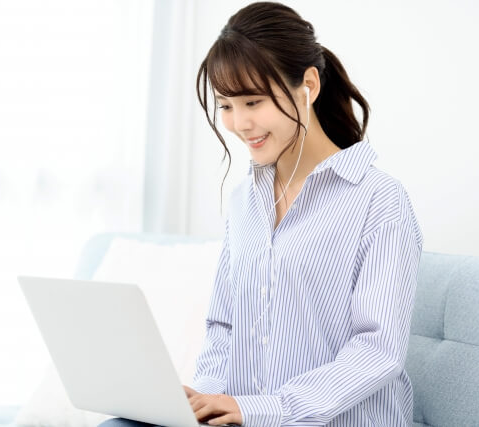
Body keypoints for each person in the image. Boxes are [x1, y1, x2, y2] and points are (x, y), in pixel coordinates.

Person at [100, 1, 423, 426]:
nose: (239, 123)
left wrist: (263, 409)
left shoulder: (380, 200)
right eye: (226, 106)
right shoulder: (245, 201)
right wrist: (205, 402)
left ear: (308, 85)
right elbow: (223, 326)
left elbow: (377, 350)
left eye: (253, 102)